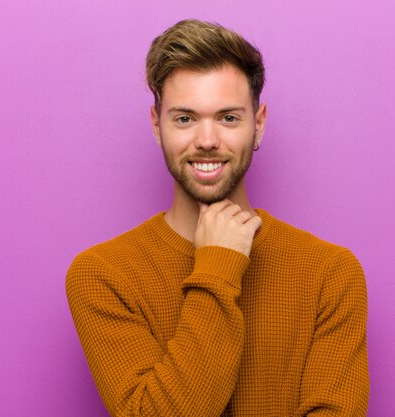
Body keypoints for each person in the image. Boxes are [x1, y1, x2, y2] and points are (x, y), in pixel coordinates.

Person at [66, 19, 369, 416]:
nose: (207, 141)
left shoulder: (330, 272)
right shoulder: (103, 274)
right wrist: (217, 268)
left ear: (257, 124)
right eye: (185, 119)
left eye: (228, 118)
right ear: (157, 126)